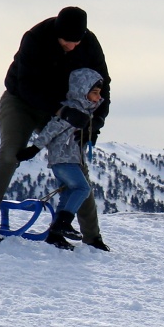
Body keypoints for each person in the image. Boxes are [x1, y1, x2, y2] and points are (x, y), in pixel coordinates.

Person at [0, 6, 112, 250]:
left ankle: (92, 237)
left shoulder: (88, 43)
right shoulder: (35, 38)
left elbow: (103, 86)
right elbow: (26, 87)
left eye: (77, 41)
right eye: (67, 42)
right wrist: (62, 112)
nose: (73, 46)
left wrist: (94, 125)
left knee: (77, 164)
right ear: (57, 33)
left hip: (63, 108)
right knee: (10, 154)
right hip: (21, 102)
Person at [22, 69, 106, 250]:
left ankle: (55, 235)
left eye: (99, 93)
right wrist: (35, 148)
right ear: (82, 91)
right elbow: (51, 130)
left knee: (68, 193)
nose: (98, 98)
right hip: (63, 159)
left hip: (70, 159)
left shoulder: (85, 112)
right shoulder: (73, 111)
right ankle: (64, 222)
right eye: (95, 93)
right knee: (83, 188)